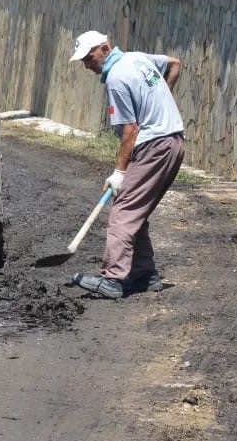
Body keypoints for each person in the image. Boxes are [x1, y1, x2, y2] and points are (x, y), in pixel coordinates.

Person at [68, 30, 184, 299]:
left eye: (89, 57)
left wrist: (119, 172)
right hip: (174, 143)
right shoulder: (138, 58)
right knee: (136, 207)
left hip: (154, 147)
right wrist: (158, 104)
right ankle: (145, 273)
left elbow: (130, 131)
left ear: (105, 48)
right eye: (83, 60)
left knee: (123, 208)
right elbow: (174, 64)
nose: (87, 65)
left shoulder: (117, 79)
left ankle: (113, 278)